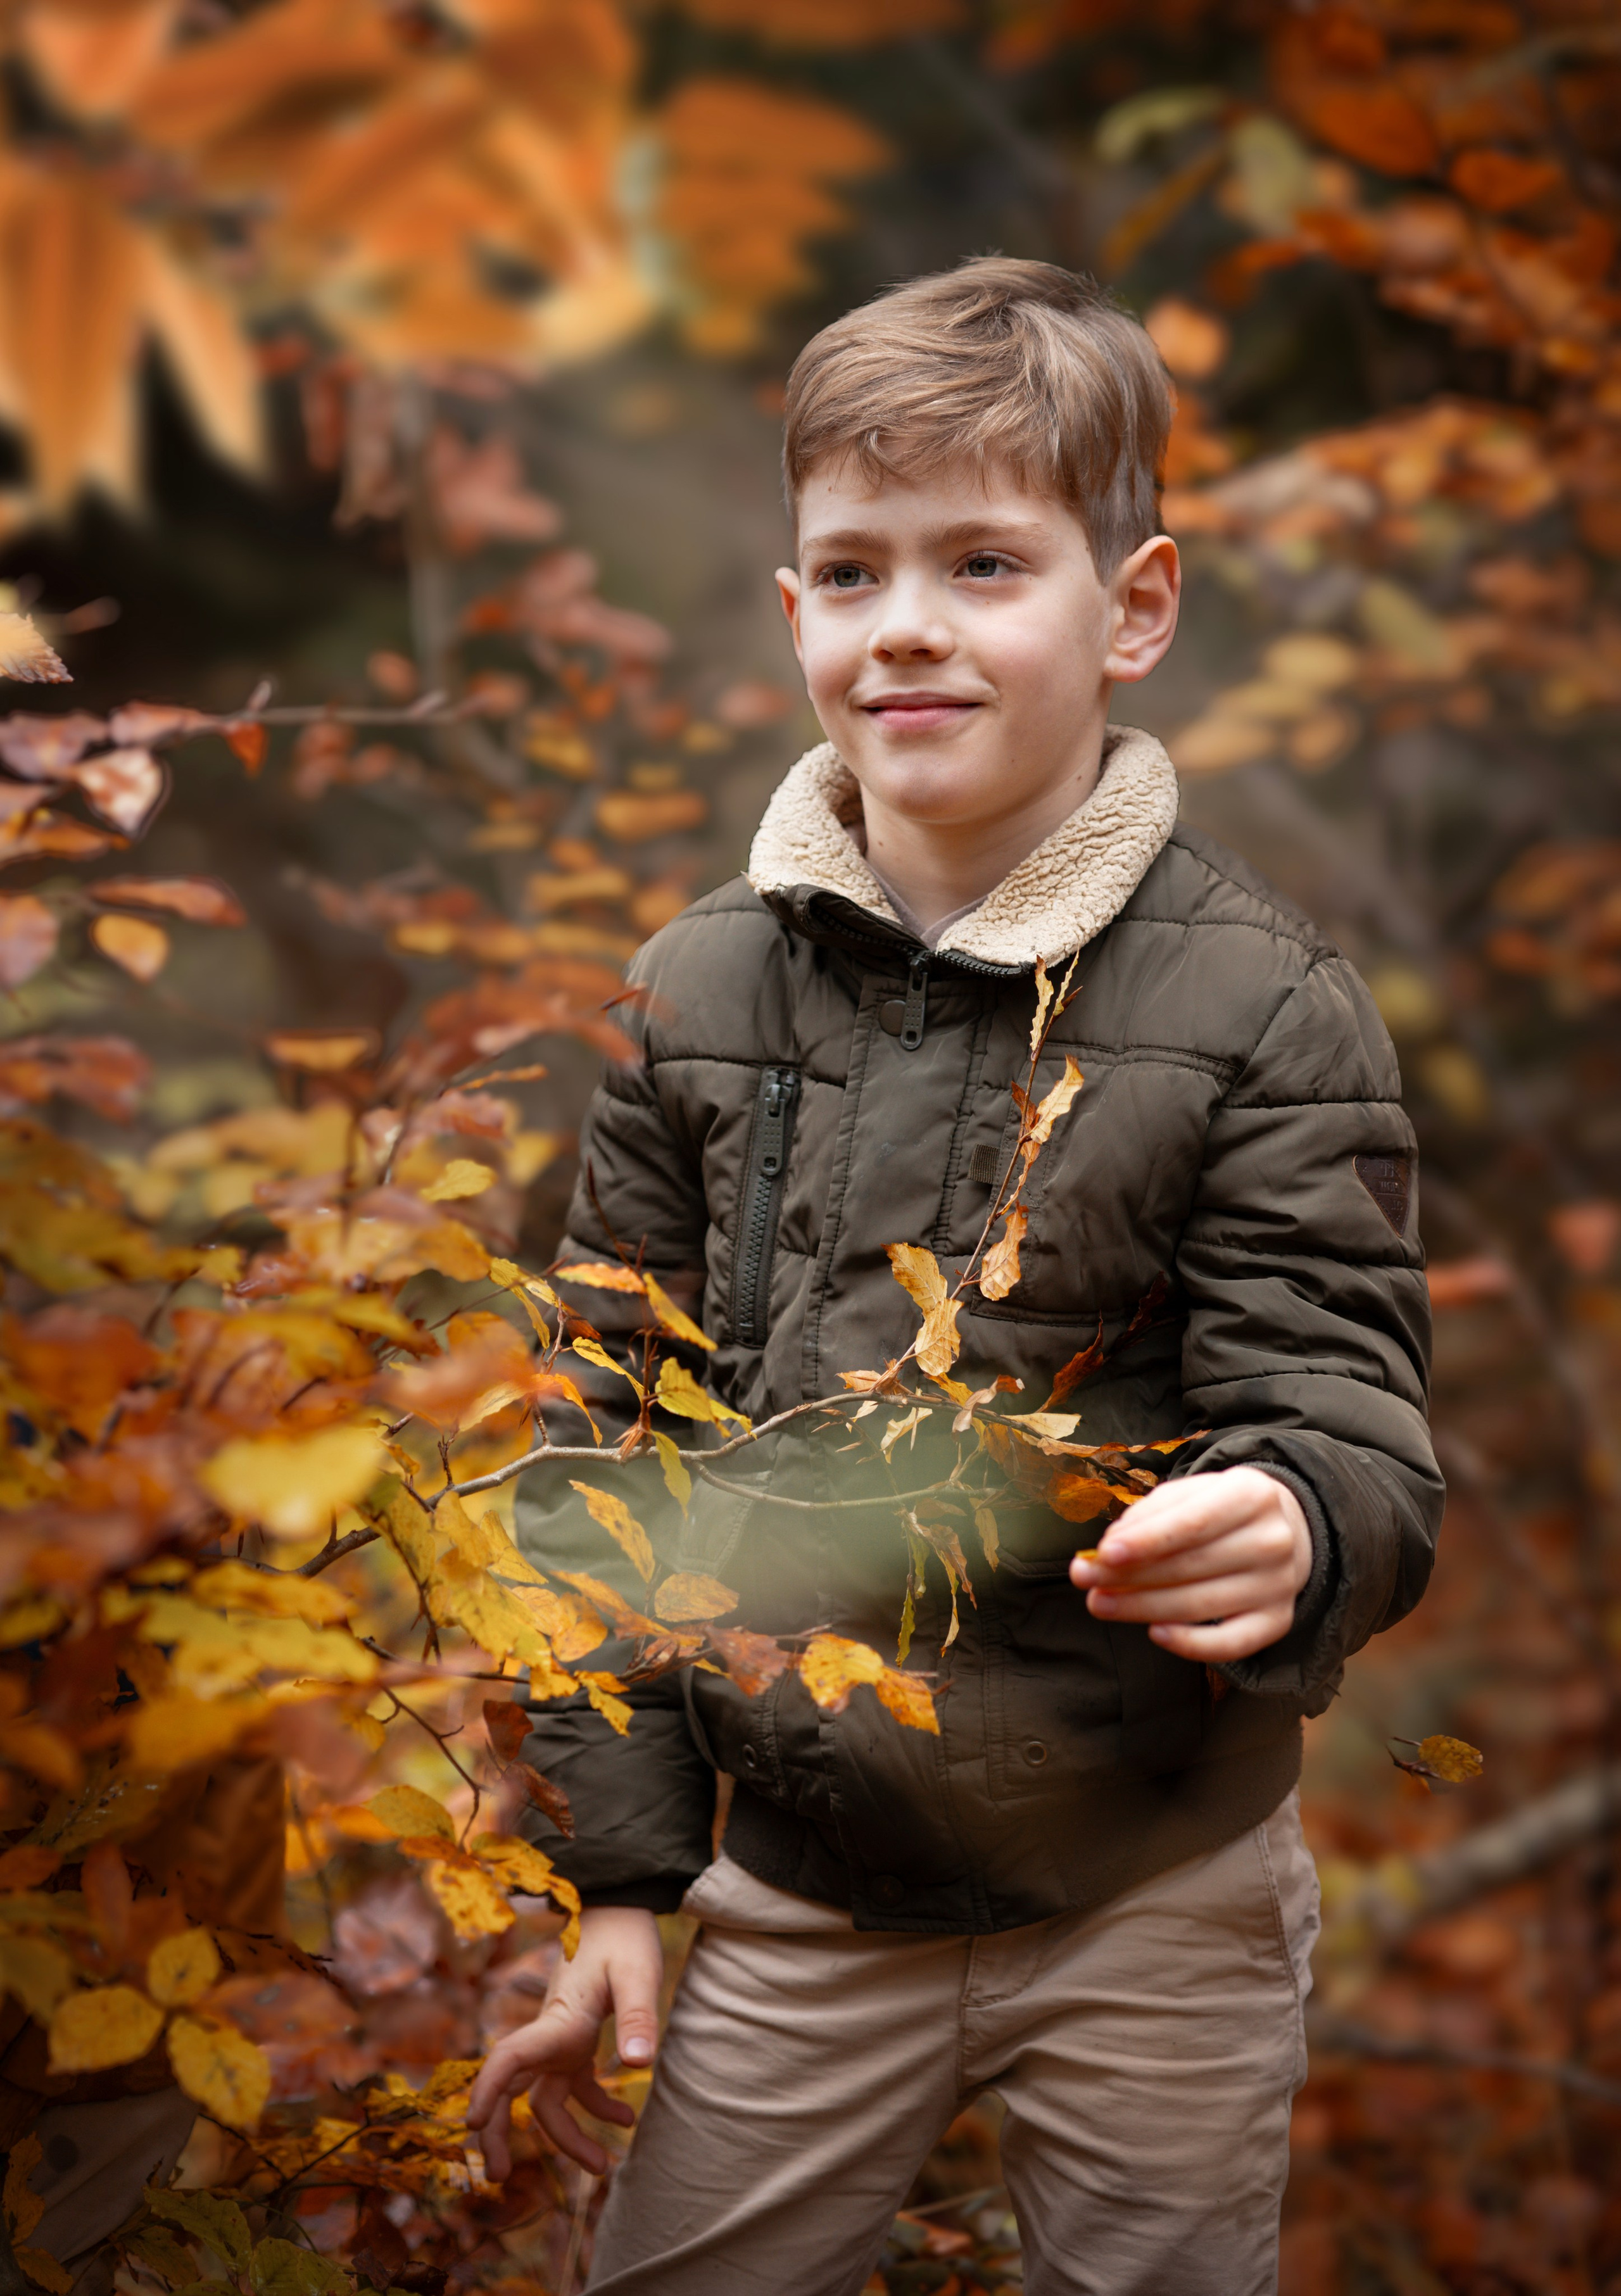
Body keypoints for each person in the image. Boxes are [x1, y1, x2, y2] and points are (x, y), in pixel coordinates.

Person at [465, 256, 1441, 2295]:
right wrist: (621, 1877)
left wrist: (1292, 1517)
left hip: (1153, 1881)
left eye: (988, 561)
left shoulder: (1263, 1002)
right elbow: (600, 1446)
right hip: (794, 1885)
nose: (906, 622)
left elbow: (1341, 1397)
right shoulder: (694, 990)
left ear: (1135, 609)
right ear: (795, 611)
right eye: (852, 570)